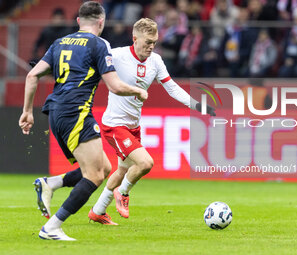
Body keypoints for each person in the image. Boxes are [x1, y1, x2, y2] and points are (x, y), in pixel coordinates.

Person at [33, 18, 215, 226]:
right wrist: (46, 68)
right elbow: (81, 61)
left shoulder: (155, 61)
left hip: (133, 126)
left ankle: (98, 211)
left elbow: (172, 88)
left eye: (154, 42)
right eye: (147, 42)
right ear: (135, 38)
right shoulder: (116, 55)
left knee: (120, 170)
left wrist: (199, 106)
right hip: (114, 124)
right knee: (145, 163)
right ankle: (123, 192)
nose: (151, 46)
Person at [19, 1, 147, 241]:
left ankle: (51, 184)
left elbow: (33, 74)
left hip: (55, 112)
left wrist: (27, 112)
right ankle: (52, 227)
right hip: (75, 112)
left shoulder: (60, 42)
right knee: (96, 175)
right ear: (101, 22)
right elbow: (116, 87)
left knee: (105, 168)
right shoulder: (98, 45)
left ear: (78, 22)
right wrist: (138, 91)